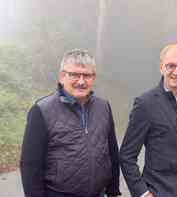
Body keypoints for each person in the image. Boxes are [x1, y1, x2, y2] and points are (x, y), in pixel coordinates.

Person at [20, 49, 121, 197]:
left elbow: (112, 153)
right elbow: (30, 165)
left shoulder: (103, 107)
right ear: (62, 76)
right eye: (74, 75)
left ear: (93, 78)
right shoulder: (42, 110)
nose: (81, 81)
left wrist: (113, 190)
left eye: (87, 75)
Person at [120, 44, 177, 197]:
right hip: (160, 192)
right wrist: (142, 193)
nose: (176, 71)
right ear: (161, 68)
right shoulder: (146, 103)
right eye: (170, 66)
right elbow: (126, 155)